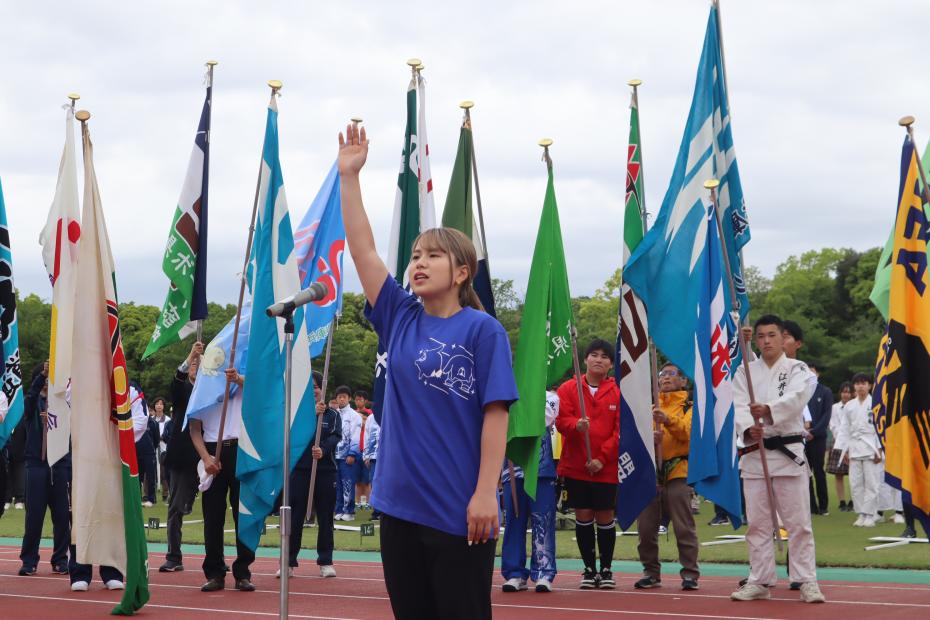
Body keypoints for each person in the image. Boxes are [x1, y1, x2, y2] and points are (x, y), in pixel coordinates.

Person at [338, 123, 517, 620]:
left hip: (460, 511)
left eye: (433, 256)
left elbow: (496, 417)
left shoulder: (483, 331)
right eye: (416, 255)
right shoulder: (399, 316)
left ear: (462, 272)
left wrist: (486, 493)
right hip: (398, 507)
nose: (418, 263)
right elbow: (364, 251)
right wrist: (349, 177)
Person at [730, 314, 825, 604]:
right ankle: (760, 580)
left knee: (798, 523)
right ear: (755, 339)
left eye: (772, 335)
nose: (767, 340)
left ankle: (806, 579)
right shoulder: (744, 371)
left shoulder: (799, 370)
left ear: (783, 338)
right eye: (761, 336)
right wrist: (749, 426)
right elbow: (737, 403)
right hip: (755, 454)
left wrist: (768, 410)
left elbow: (798, 399)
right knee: (758, 524)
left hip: (788, 453)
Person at [555, 338, 620, 590]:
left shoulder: (617, 392)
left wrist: (601, 459)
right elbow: (561, 421)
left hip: (606, 467)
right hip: (576, 466)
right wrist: (575, 425)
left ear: (611, 365)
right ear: (584, 359)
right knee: (583, 515)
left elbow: (619, 430)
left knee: (605, 516)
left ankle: (606, 569)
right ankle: (588, 569)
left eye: (605, 357)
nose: (598, 360)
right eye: (594, 355)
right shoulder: (568, 388)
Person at [189, 368, 256, 592]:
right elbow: (194, 429)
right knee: (213, 516)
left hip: (240, 450)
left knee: (242, 514)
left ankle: (243, 572)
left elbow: (260, 386)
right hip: (211, 453)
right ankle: (215, 572)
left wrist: (237, 379)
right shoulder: (201, 391)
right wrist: (206, 458)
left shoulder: (238, 384)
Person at [635, 363, 699, 591]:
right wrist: (648, 439)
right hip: (651, 474)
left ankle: (690, 573)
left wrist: (668, 421)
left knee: (683, 526)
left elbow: (689, 433)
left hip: (678, 471)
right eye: (662, 374)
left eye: (672, 374)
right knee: (645, 527)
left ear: (684, 381)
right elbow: (636, 441)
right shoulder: (650, 408)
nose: (665, 378)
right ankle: (650, 571)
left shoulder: (690, 407)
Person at [277, 371, 341, 578]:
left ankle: (325, 561)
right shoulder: (295, 414)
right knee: (295, 517)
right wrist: (311, 415)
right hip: (300, 471)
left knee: (325, 517)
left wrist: (323, 449)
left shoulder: (333, 415)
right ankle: (288, 562)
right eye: (309, 387)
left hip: (325, 472)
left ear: (322, 389)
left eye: (316, 386)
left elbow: (335, 437)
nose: (313, 390)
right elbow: (290, 436)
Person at [501, 390, 559, 593]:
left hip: (540, 470)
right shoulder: (503, 394)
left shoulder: (550, 397)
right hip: (512, 471)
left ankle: (543, 572)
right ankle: (515, 573)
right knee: (514, 523)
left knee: (543, 522)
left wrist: (516, 408)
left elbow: (542, 420)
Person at [18, 362, 70, 577]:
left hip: (59, 464)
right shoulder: (32, 404)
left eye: (51, 378)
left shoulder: (63, 403)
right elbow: (29, 398)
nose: (49, 382)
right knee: (34, 517)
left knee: (62, 516)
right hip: (36, 466)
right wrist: (42, 375)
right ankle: (29, 561)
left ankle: (60, 559)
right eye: (45, 379)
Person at [159, 341, 203, 572]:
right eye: (193, 365)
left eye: (199, 364)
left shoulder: (211, 391)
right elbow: (176, 380)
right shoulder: (182, 389)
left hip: (208, 456)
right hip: (182, 456)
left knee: (213, 509)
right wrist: (191, 356)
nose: (195, 367)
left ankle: (215, 560)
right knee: (176, 507)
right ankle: (173, 556)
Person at [835, 373, 883, 528]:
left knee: (872, 483)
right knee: (855, 483)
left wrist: (880, 448)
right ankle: (861, 513)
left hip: (871, 446)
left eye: (864, 383)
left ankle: (871, 514)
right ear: (854, 386)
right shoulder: (849, 406)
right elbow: (844, 429)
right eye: (858, 384)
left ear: (870, 386)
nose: (861, 386)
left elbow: (881, 429)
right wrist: (844, 450)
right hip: (854, 447)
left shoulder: (876, 404)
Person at [803, 364, 832, 515]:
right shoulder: (801, 391)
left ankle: (823, 506)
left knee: (818, 472)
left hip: (818, 438)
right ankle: (811, 506)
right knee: (805, 473)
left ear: (818, 374)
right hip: (802, 438)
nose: (809, 374)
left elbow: (826, 415)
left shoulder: (825, 391)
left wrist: (814, 431)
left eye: (812, 371)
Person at [334, 385, 362, 521]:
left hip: (347, 455)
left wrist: (352, 453)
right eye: (339, 397)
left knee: (347, 483)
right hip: (334, 455)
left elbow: (356, 435)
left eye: (344, 397)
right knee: (337, 484)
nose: (341, 399)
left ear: (349, 398)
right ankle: (339, 509)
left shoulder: (354, 416)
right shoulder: (334, 414)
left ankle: (349, 511)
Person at [827, 382, 853, 511]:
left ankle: (854, 501)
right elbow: (833, 425)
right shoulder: (834, 408)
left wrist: (849, 443)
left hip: (854, 443)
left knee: (855, 474)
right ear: (840, 393)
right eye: (844, 391)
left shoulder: (854, 406)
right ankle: (842, 502)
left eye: (848, 392)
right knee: (839, 474)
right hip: (838, 442)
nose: (846, 394)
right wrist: (841, 442)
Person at [130, 382, 157, 507]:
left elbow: (156, 437)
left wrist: (153, 448)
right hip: (135, 450)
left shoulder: (151, 422)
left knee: (151, 475)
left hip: (148, 450)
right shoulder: (132, 420)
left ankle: (151, 498)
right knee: (137, 477)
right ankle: (138, 497)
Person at [151, 396, 171, 503]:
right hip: (152, 448)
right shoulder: (150, 420)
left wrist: (162, 437)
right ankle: (150, 495)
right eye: (157, 404)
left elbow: (170, 434)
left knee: (164, 471)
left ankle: (165, 494)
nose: (159, 406)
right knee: (150, 472)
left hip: (164, 448)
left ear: (163, 406)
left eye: (161, 404)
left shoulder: (168, 420)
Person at [362, 406, 380, 518]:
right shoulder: (371, 418)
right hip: (373, 456)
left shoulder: (391, 414)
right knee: (374, 482)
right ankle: (377, 510)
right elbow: (366, 436)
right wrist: (366, 455)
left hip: (389, 456)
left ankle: (387, 511)